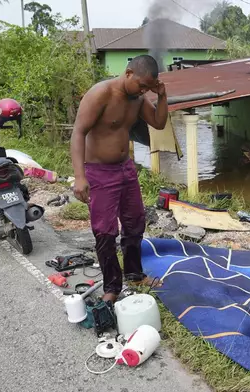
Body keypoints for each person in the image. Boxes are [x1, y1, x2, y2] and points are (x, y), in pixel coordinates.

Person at [70, 55, 168, 304]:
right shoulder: (100, 93)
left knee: (135, 222)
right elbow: (78, 133)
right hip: (100, 171)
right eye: (141, 85)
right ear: (128, 73)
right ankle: (112, 287)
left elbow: (158, 122)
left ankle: (134, 274)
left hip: (126, 169)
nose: (143, 90)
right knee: (105, 231)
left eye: (148, 87)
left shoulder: (138, 98)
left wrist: (162, 95)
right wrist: (79, 177)